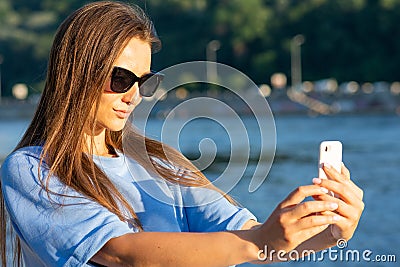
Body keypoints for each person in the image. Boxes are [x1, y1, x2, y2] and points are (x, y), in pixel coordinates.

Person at [0, 1, 364, 266]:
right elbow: (120, 252)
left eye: (144, 82)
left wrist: (331, 231)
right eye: (121, 78)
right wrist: (258, 241)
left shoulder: (160, 162)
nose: (134, 95)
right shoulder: (32, 170)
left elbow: (252, 237)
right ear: (76, 73)